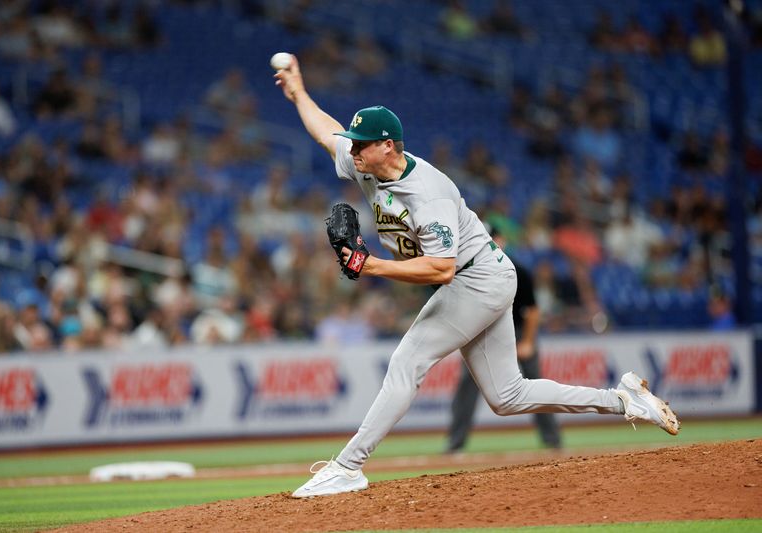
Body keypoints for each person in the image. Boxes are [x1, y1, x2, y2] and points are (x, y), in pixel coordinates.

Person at [273, 55, 680, 499]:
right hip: (483, 275)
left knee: (407, 362)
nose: (352, 150)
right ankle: (624, 400)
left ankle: (349, 466)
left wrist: (371, 266)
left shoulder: (427, 193)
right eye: (353, 144)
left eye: (361, 144)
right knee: (507, 396)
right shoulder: (365, 163)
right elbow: (325, 130)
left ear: (388, 145)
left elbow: (442, 269)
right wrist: (299, 93)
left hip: (474, 277)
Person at [447, 225, 560, 452]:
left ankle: (552, 441)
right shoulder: (468, 273)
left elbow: (533, 310)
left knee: (535, 382)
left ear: (502, 241)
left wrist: (528, 342)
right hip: (483, 332)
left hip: (518, 330)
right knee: (466, 385)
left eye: (492, 239)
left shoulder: (518, 271)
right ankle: (455, 444)